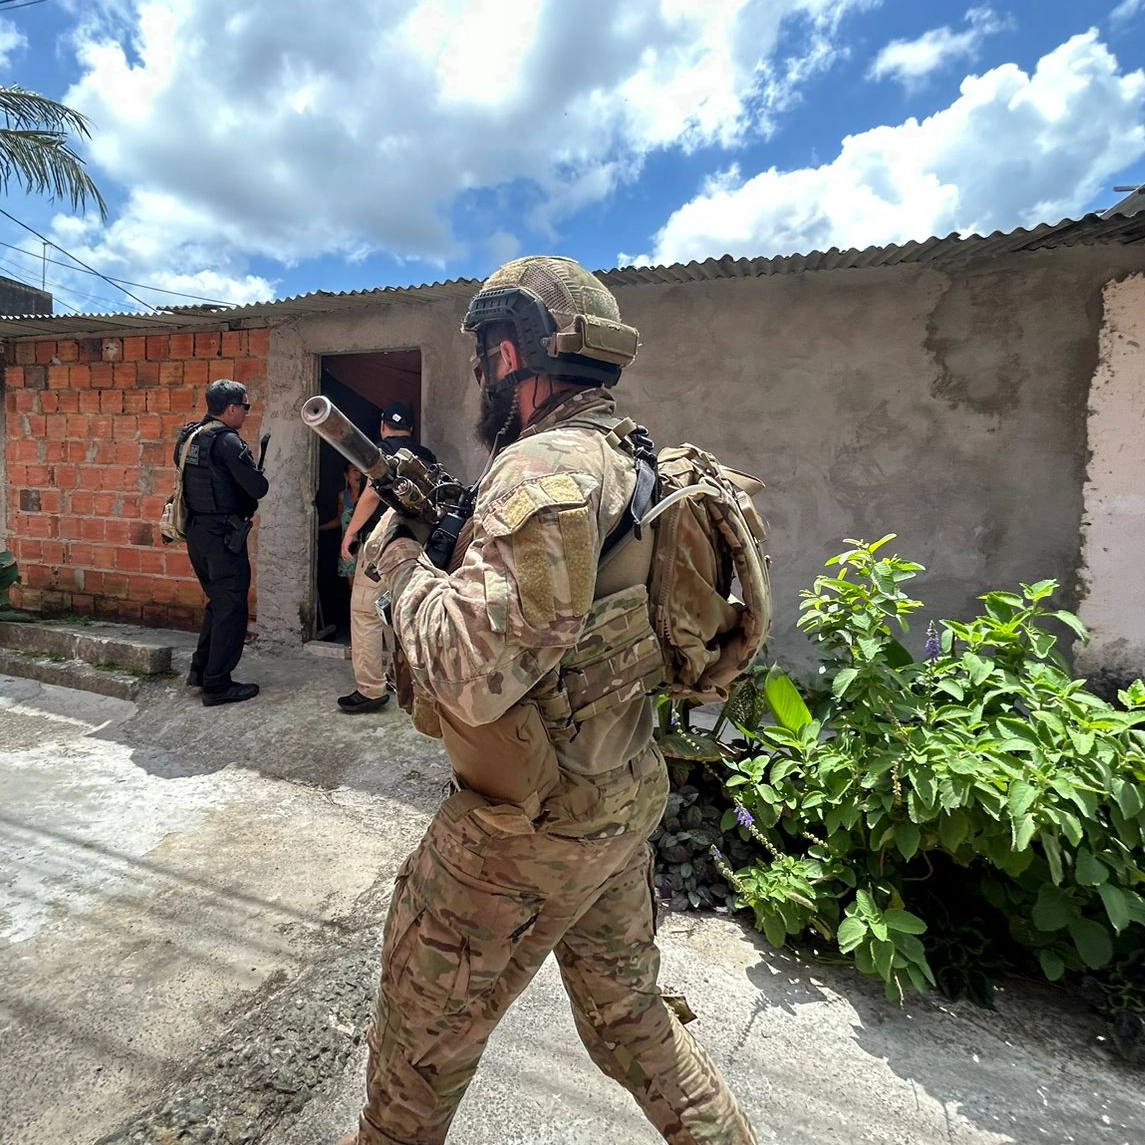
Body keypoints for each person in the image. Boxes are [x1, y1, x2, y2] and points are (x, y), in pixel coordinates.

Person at [339, 257, 757, 1144]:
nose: (480, 375)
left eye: (484, 354)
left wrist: (403, 563)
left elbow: (468, 672)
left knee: (417, 1053)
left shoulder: (540, 475)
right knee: (631, 1019)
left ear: (511, 354)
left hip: (523, 830)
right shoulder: (641, 459)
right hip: (621, 796)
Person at [336, 401, 437, 714]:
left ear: (382, 425)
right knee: (402, 613)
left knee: (366, 613)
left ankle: (370, 690)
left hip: (382, 545)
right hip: (417, 547)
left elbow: (370, 494)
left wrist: (350, 532)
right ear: (411, 428)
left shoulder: (377, 451)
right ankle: (403, 680)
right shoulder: (425, 456)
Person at [175, 378, 269, 707]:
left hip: (198, 534)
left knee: (218, 603)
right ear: (230, 408)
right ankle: (217, 685)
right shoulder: (227, 441)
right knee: (231, 608)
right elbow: (258, 489)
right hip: (223, 537)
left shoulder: (190, 436)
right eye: (245, 406)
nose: (246, 412)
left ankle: (201, 672)